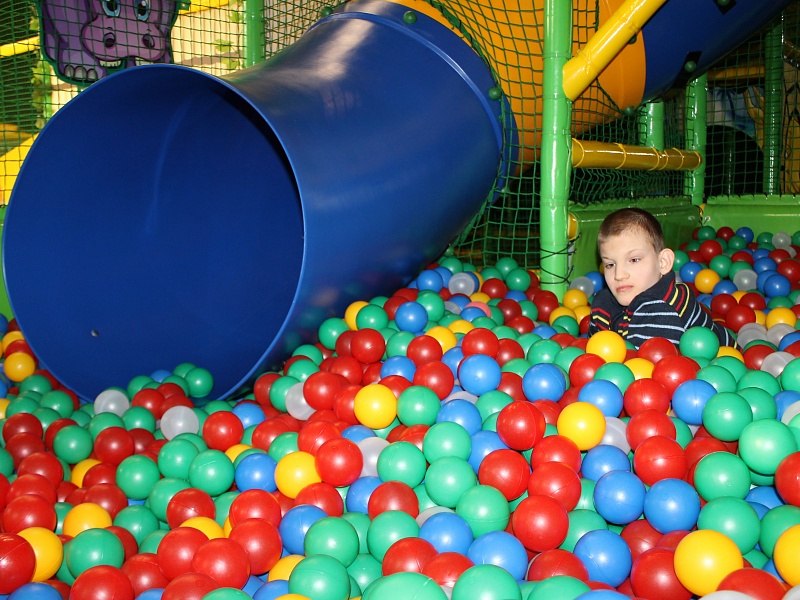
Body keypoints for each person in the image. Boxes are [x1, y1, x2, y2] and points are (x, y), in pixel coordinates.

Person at [587, 207, 737, 349]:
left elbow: (651, 368)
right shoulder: (603, 303)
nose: (619, 275)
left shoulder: (663, 308)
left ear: (663, 262)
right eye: (610, 264)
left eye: (634, 260)